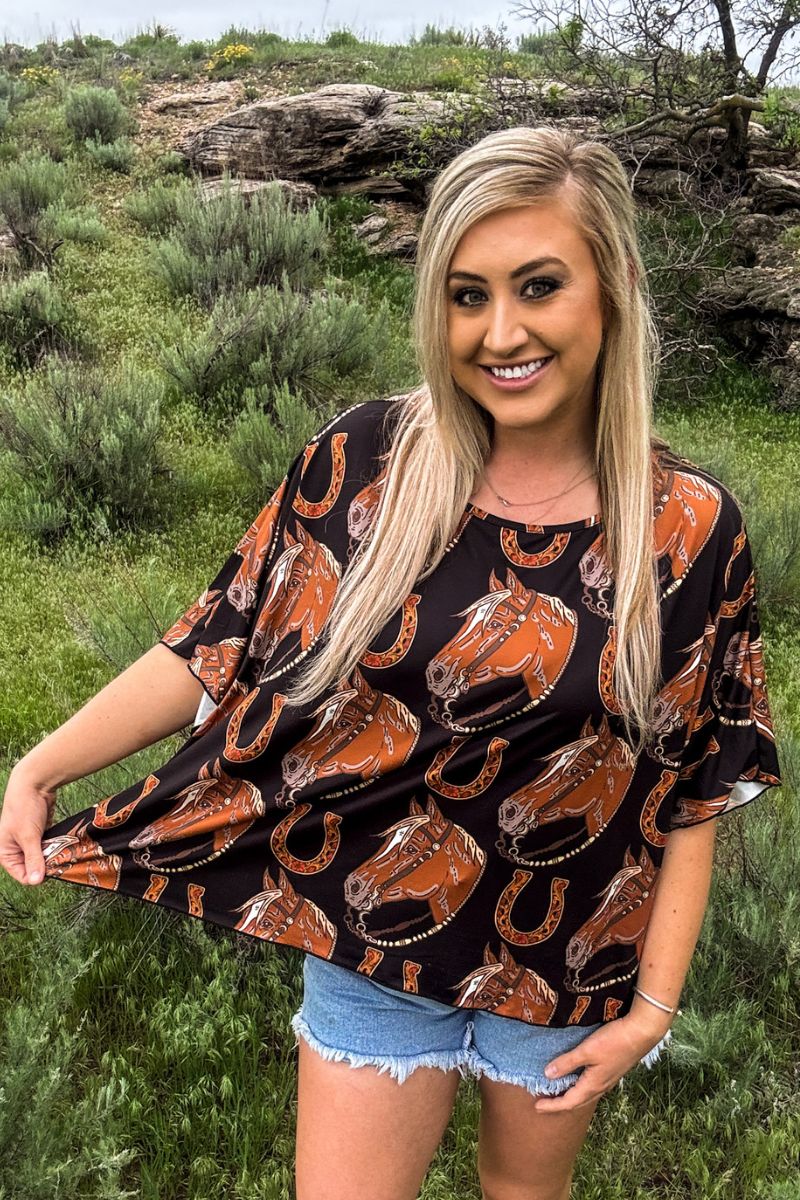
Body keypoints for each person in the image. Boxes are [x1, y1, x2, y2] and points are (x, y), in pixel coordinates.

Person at [0, 125, 782, 1200]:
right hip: (375, 940)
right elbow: (217, 641)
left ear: (611, 289)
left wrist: (651, 1008)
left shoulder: (687, 528)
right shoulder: (367, 462)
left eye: (539, 286)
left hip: (573, 959)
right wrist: (44, 765)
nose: (500, 332)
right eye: (466, 296)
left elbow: (697, 784)